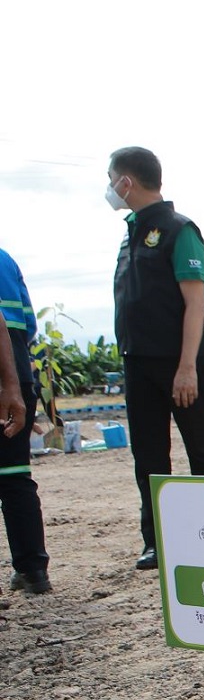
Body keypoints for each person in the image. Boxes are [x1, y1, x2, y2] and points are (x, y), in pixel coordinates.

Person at [106, 146, 204, 571]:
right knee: (150, 455)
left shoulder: (179, 230)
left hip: (179, 362)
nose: (110, 188)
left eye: (111, 179)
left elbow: (196, 304)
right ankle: (156, 540)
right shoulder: (132, 232)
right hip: (137, 362)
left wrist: (187, 366)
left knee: (203, 451)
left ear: (126, 182)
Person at [0, 246, 48, 594]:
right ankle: (33, 571)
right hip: (18, 367)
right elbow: (29, 326)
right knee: (15, 474)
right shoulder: (6, 259)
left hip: (8, 378)